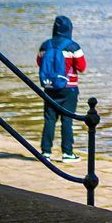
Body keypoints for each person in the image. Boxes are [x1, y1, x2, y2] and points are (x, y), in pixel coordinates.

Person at [36, 15, 87, 164]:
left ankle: (45, 152)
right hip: (68, 88)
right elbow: (82, 67)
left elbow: (39, 62)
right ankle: (67, 153)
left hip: (49, 87)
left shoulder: (45, 45)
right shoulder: (73, 46)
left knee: (49, 119)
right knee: (67, 120)